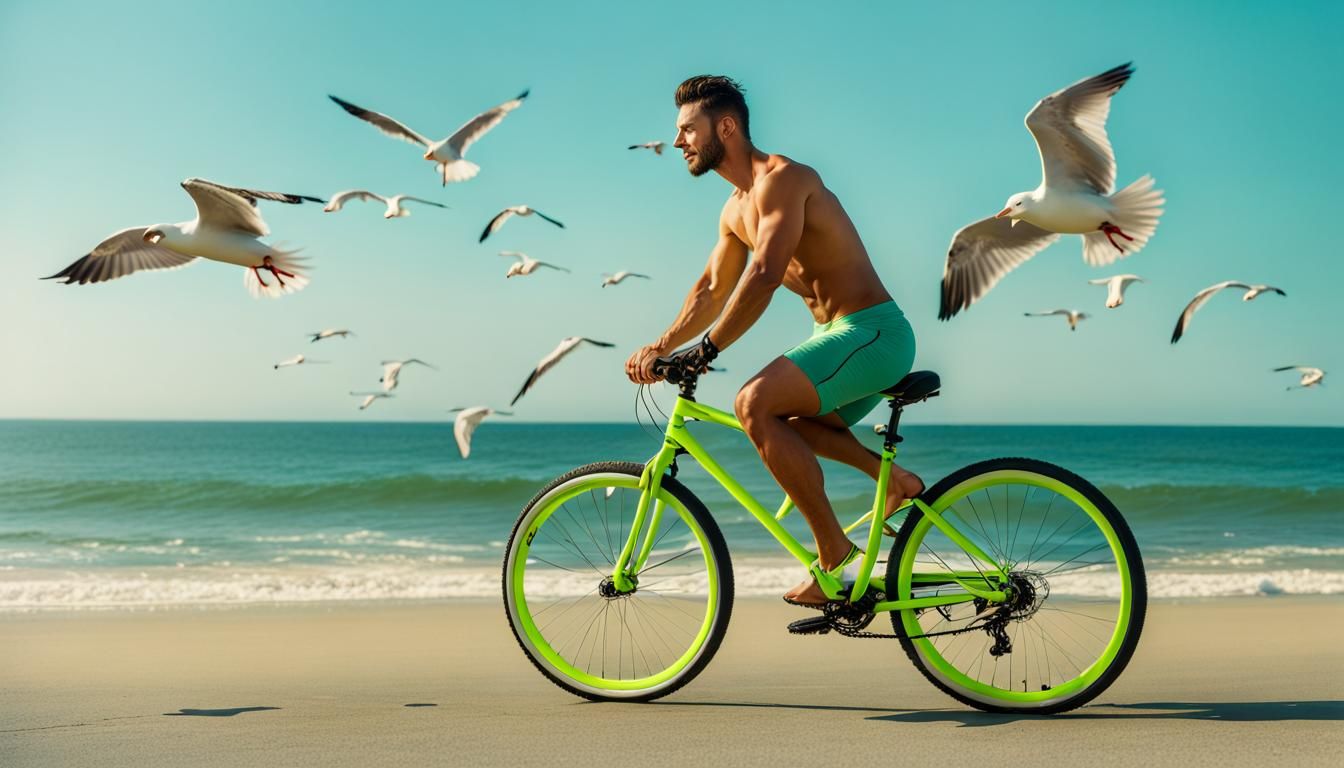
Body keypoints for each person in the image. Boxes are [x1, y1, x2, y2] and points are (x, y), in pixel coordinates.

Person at [625, 75, 921, 607]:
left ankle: (836, 557)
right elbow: (712, 289)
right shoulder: (735, 210)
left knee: (753, 402)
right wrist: (663, 345)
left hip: (872, 331)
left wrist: (707, 350)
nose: (677, 143)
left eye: (687, 130)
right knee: (778, 422)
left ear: (727, 126)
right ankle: (892, 479)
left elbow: (764, 272)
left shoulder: (784, 179)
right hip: (837, 338)